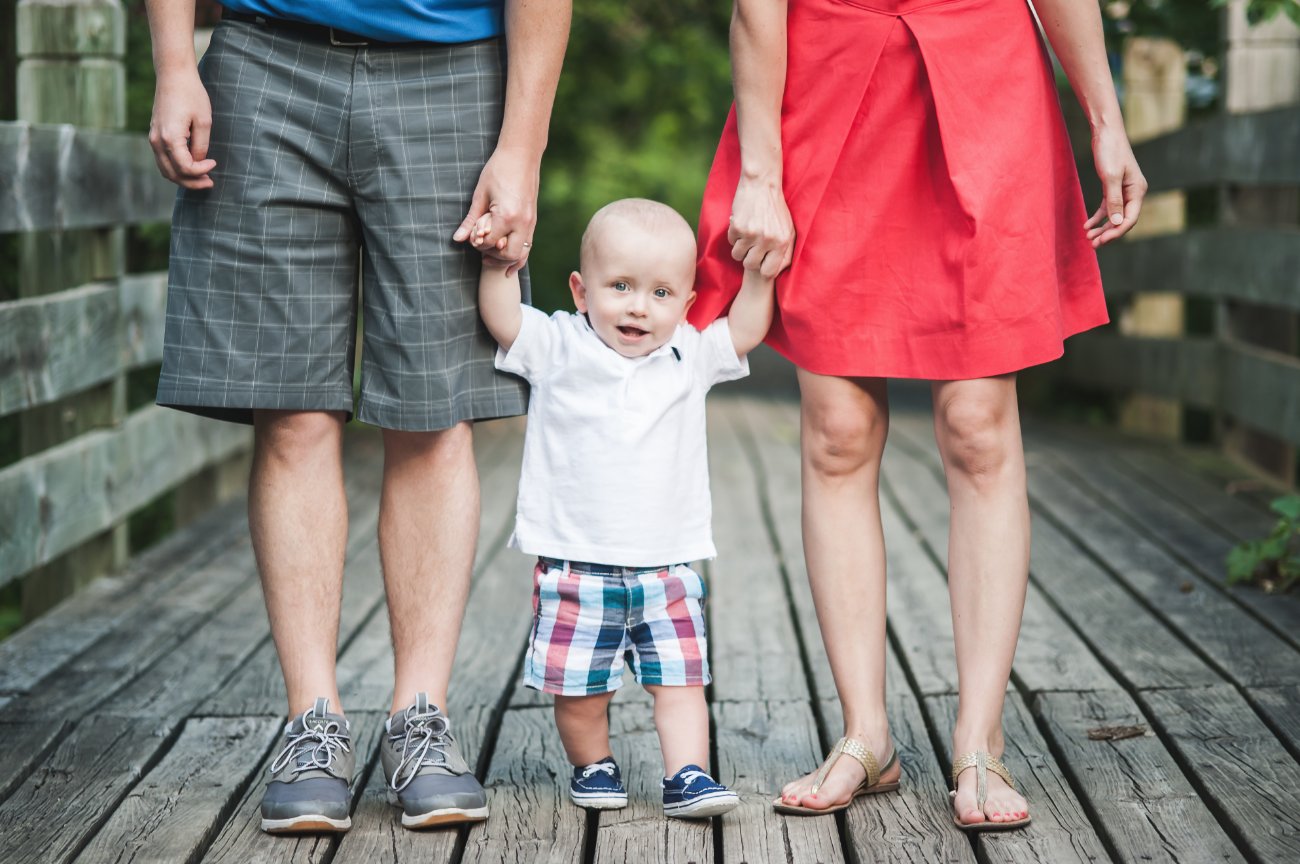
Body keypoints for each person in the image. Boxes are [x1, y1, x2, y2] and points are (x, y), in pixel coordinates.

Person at [691, 0, 1146, 830]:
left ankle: (982, 740)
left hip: (984, 73)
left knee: (978, 427)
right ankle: (865, 735)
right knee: (837, 432)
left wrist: (1104, 119)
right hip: (827, 77)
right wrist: (761, 173)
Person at [143, 0, 570, 834]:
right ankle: (313, 723)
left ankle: (422, 718)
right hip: (265, 63)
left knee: (432, 412)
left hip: (453, 75)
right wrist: (172, 60)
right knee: (292, 412)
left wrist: (523, 148)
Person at [474, 198, 774, 818]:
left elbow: (744, 330)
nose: (639, 306)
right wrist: (499, 265)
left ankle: (687, 773)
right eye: (621, 287)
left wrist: (760, 277)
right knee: (579, 688)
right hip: (575, 567)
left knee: (682, 681)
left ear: (687, 305)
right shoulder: (559, 345)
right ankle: (593, 764)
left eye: (662, 293)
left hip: (668, 568)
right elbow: (505, 322)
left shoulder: (688, 356)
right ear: (582, 291)